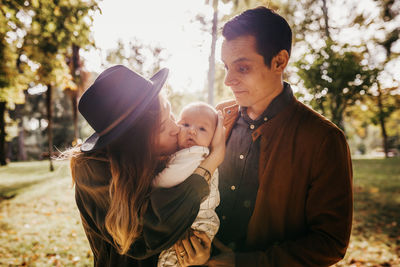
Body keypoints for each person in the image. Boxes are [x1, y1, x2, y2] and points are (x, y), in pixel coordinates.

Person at [207, 6, 353, 266]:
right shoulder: (217, 117)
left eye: (242, 68)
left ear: (279, 62)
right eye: (226, 67)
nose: (228, 80)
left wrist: (243, 263)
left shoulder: (324, 140)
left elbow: (330, 242)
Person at [69, 65, 225, 266]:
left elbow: (187, 221)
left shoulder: (164, 157)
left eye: (171, 115)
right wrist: (210, 164)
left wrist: (198, 253)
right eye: (162, 126)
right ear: (135, 144)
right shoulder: (92, 172)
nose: (175, 127)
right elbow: (145, 237)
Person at [154, 102, 220, 267]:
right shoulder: (186, 153)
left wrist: (150, 183)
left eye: (202, 129)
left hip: (196, 224)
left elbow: (168, 179)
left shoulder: (195, 154)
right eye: (185, 124)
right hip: (192, 220)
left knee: (173, 259)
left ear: (213, 139)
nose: (192, 130)